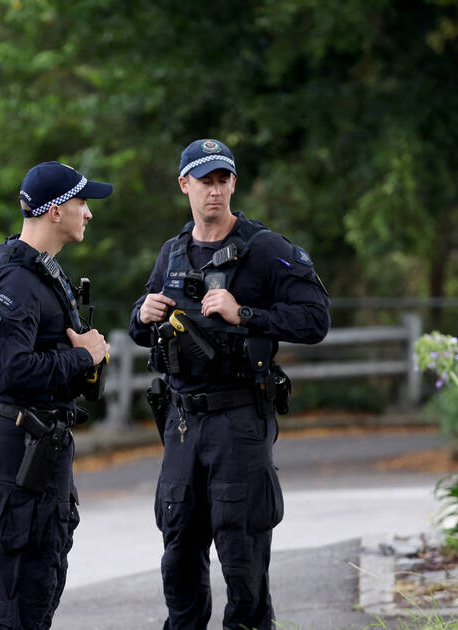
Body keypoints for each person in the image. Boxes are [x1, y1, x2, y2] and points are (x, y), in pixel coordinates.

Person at [130, 138, 331, 630]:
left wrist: (245, 314)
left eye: (223, 180)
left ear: (233, 184)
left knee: (241, 553)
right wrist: (141, 313)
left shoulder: (265, 249)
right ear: (185, 186)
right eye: (204, 181)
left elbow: (315, 320)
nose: (214, 191)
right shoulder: (172, 252)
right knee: (178, 552)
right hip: (181, 421)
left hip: (240, 418)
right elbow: (141, 330)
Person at [0, 161, 112, 630]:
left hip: (41, 436)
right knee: (23, 580)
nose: (88, 213)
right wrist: (84, 358)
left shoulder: (38, 271)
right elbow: (9, 369)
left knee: (43, 564)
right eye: (81, 202)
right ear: (54, 211)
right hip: (23, 436)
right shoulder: (15, 279)